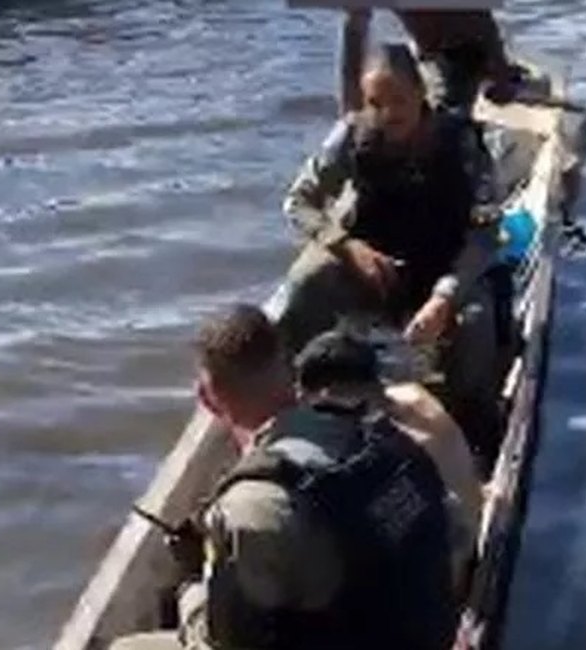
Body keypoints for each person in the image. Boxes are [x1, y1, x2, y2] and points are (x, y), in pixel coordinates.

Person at [111, 305, 479, 650]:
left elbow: (224, 641)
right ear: (291, 370)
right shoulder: (379, 435)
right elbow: (455, 531)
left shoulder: (254, 502)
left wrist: (193, 587)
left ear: (207, 399)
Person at [279, 42, 505, 464]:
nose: (389, 114)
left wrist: (446, 294)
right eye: (376, 103)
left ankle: (467, 437)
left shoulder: (460, 142)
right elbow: (299, 202)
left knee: (476, 325)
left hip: (445, 265)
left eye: (399, 100)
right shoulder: (352, 135)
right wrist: (346, 247)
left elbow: (488, 230)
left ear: (421, 92)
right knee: (305, 285)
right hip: (374, 265)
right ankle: (297, 405)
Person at [338, 8, 522, 114]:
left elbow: (482, 21)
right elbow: (355, 32)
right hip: (427, 49)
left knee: (451, 120)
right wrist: (350, 112)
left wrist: (499, 68)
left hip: (466, 50)